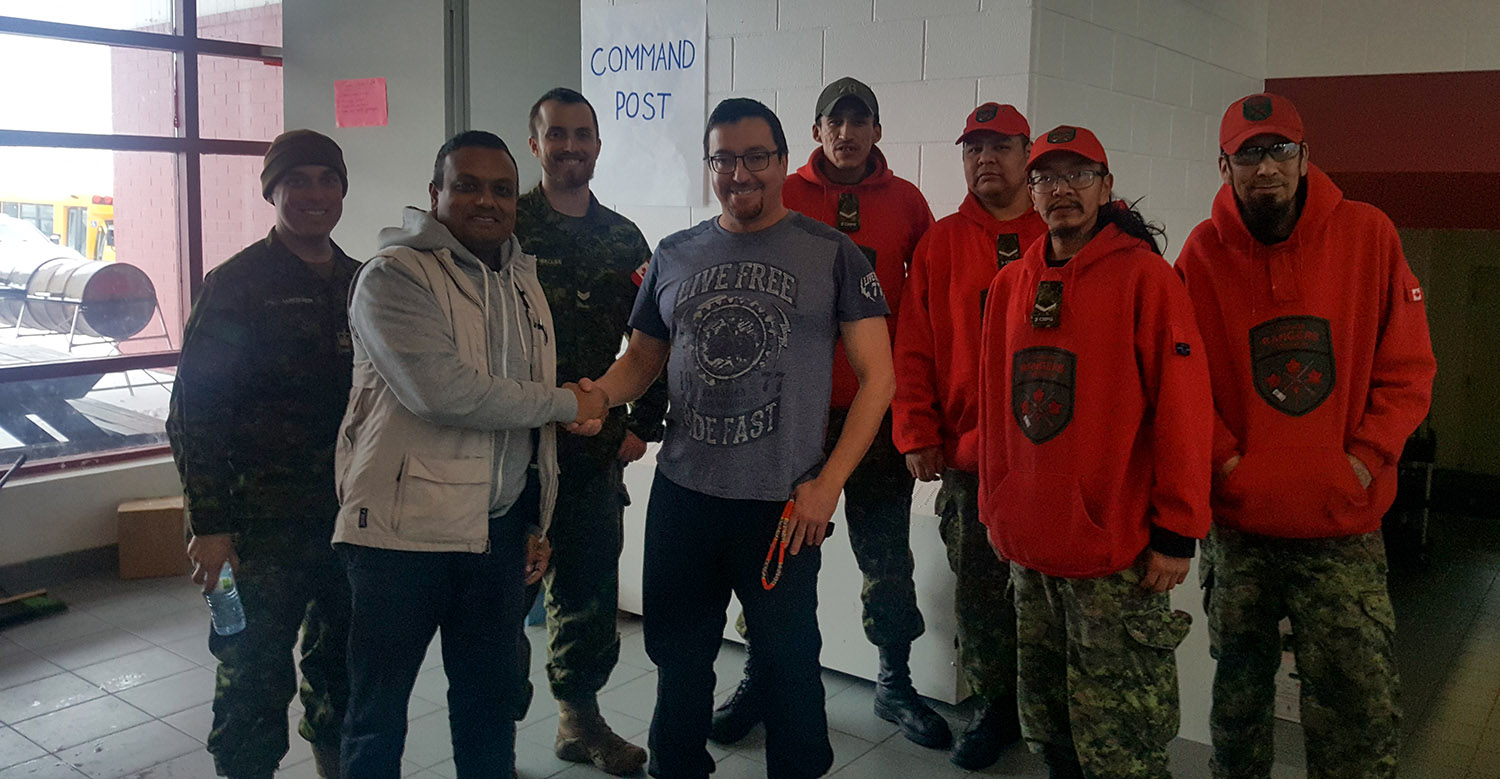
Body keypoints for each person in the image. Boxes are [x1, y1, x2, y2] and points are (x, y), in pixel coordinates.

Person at [580, 97, 895, 779]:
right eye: (724, 157)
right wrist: (598, 395)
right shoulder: (675, 254)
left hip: (782, 507)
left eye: (756, 156)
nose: (739, 171)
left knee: (787, 667)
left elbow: (879, 379)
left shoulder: (831, 253)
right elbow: (642, 360)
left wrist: (826, 486)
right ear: (710, 166)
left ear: (783, 162)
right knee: (680, 659)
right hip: (685, 496)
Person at [1176, 93, 1436, 779]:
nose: (1266, 168)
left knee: (1358, 708)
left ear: (1305, 157)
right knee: (1237, 708)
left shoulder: (1369, 235)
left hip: (1342, 526)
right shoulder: (1200, 257)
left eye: (1279, 150)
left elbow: (1408, 368)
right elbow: (1183, 382)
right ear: (1225, 165)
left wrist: (1363, 458)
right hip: (1240, 531)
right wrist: (1224, 461)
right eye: (1249, 154)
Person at [332, 130, 607, 778]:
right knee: (377, 713)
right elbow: (448, 393)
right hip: (401, 538)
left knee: (487, 706)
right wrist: (570, 402)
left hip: (496, 533)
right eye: (468, 185)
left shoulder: (521, 281)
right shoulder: (394, 276)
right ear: (435, 194)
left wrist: (536, 517)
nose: (488, 200)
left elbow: (523, 419)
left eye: (502, 189)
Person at [711, 75, 944, 750]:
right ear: (814, 132)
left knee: (886, 557)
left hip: (874, 417)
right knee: (774, 554)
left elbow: (923, 312)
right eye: (833, 122)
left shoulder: (908, 203)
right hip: (792, 417)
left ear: (876, 130)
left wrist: (918, 413)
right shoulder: (786, 194)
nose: (846, 133)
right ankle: (762, 673)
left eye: (859, 121)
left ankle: (894, 681)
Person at [976, 125, 1212, 778]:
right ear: (1032, 189)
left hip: (1116, 558)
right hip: (1030, 551)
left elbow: (1183, 411)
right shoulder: (1011, 285)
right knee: (1050, 730)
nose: (1063, 191)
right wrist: (996, 509)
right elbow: (998, 409)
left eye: (1080, 176)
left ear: (1106, 187)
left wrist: (1177, 529)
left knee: (1121, 746)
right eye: (1049, 178)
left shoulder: (1148, 281)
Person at [168, 129, 355, 779]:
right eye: (296, 180)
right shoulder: (235, 285)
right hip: (248, 530)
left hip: (346, 522)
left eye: (327, 179)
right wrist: (209, 526)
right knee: (248, 671)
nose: (313, 193)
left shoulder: (366, 285)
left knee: (345, 666)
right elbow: (194, 414)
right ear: (272, 190)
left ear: (342, 191)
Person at [514, 86, 667, 776]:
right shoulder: (503, 230)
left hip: (593, 451)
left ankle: (578, 721)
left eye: (583, 135)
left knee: (587, 594)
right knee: (494, 597)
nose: (571, 146)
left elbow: (651, 340)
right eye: (557, 134)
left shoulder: (625, 238)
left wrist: (640, 423)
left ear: (598, 146)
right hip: (510, 450)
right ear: (534, 142)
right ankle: (489, 730)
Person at [892, 102, 1048, 769]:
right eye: (973, 149)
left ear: (1027, 154)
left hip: (1052, 458)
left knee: (1048, 592)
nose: (986, 159)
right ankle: (994, 706)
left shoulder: (1063, 232)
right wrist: (917, 430)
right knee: (981, 592)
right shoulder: (942, 241)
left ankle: (1053, 713)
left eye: (1000, 147)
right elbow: (915, 346)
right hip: (970, 458)